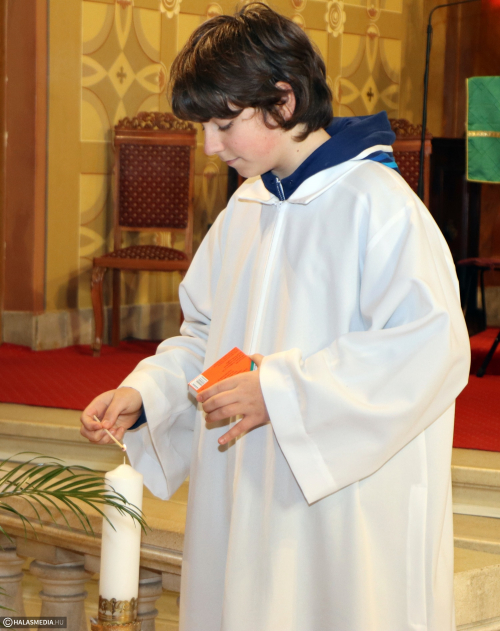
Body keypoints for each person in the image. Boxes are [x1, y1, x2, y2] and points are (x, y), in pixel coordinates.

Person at [80, 4, 471, 630]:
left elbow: (431, 349)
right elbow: (204, 335)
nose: (211, 146)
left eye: (224, 123)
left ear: (283, 102)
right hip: (244, 489)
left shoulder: (379, 205)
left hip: (340, 507)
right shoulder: (246, 207)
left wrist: (282, 392)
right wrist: (148, 393)